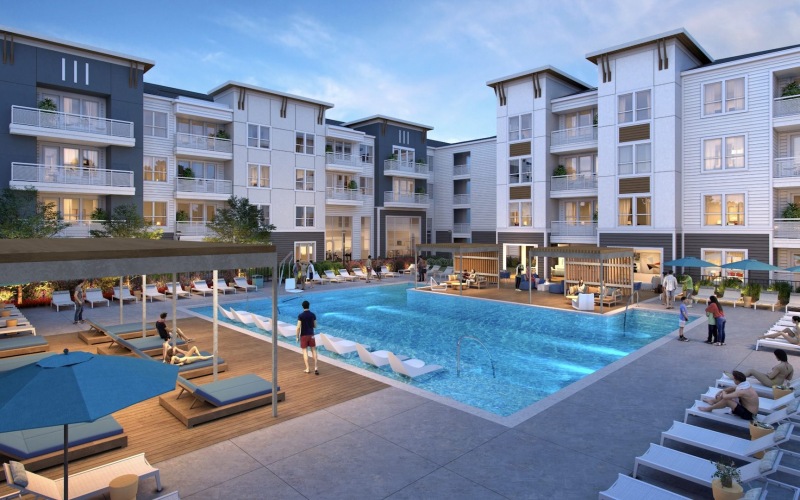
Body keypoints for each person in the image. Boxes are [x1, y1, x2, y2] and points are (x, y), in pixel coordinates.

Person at [729, 349, 794, 387]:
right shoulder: (791, 366)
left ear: (778, 356)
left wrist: (769, 373)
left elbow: (771, 376)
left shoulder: (779, 366)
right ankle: (738, 377)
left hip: (772, 383)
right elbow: (789, 378)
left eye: (776, 356)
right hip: (779, 383)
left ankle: (735, 377)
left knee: (751, 370)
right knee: (753, 372)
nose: (775, 357)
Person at [296, 300, 319, 375]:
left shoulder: (301, 315)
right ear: (309, 306)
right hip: (311, 335)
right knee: (314, 350)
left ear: (302, 306)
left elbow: (298, 327)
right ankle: (316, 367)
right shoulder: (313, 315)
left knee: (305, 352)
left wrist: (297, 336)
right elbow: (315, 326)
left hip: (304, 335)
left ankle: (308, 368)